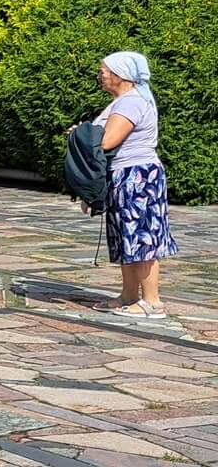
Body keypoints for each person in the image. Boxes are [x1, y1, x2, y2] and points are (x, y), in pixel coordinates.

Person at [93, 51, 177, 319]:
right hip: (125, 174)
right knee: (126, 237)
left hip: (137, 177)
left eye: (104, 70)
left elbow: (107, 141)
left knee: (142, 237)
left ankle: (152, 302)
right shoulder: (124, 100)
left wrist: (82, 135)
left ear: (120, 75)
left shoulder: (130, 103)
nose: (101, 75)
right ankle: (129, 295)